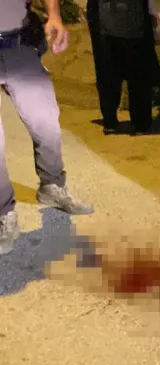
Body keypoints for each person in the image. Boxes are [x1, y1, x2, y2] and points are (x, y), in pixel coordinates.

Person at [0, 0, 94, 255]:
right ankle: (4, 213)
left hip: (19, 44)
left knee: (46, 120)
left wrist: (54, 15)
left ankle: (52, 186)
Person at [86, 0, 160, 135]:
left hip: (131, 24)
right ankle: (116, 120)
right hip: (110, 25)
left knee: (133, 74)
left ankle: (137, 122)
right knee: (110, 74)